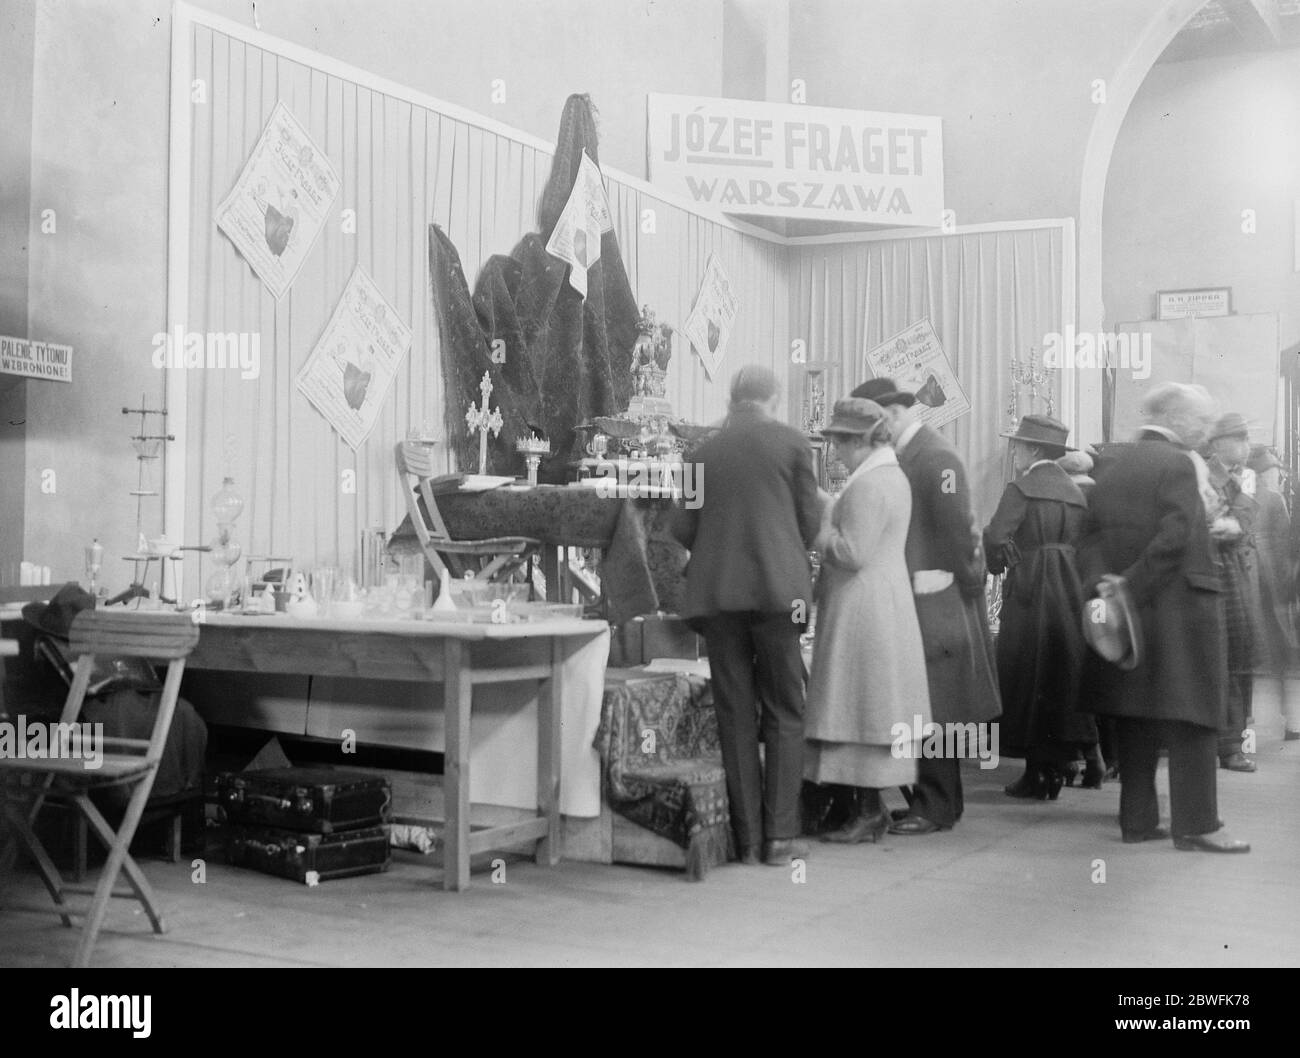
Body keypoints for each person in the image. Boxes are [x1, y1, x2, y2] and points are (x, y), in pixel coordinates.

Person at [1078, 382, 1249, 852]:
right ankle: (1198, 825)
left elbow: (1088, 539)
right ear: (1174, 419)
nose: (1207, 432)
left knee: (1135, 716)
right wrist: (1130, 587)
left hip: (1131, 622)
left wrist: (1108, 591)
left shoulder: (1110, 467)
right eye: (1201, 422)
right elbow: (1176, 539)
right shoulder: (1176, 464)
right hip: (1180, 614)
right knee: (1194, 720)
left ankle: (1137, 820)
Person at [672, 365, 820, 866]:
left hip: (718, 597)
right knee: (784, 709)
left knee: (735, 714)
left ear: (733, 400)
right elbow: (810, 524)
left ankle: (747, 839)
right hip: (781, 595)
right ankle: (780, 839)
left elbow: (681, 528)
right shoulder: (794, 445)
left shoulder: (700, 453)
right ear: (773, 398)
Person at [851, 378, 1001, 836]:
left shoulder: (933, 458)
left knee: (935, 706)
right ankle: (934, 803)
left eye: (876, 427)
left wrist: (961, 582)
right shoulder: (915, 456)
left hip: (936, 598)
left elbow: (963, 532)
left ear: (893, 415)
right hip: (924, 594)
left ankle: (935, 806)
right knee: (926, 704)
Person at [804, 398, 931, 843]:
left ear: (859, 442)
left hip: (863, 607)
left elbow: (850, 552)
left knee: (858, 707)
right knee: (870, 708)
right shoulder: (889, 476)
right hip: (884, 602)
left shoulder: (869, 484)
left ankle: (867, 812)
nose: (836, 452)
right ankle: (863, 808)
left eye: (840, 443)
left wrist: (821, 523)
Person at [983, 415, 1097, 799]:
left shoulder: (1022, 488)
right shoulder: (1075, 491)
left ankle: (1036, 774)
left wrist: (1000, 562)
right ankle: (1055, 767)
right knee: (1058, 673)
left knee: (1027, 674)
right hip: (1069, 587)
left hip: (1031, 583)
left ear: (1032, 449)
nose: (1014, 451)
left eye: (1018, 445)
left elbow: (997, 536)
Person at [1202, 413, 1260, 773]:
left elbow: (1239, 526)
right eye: (1237, 438)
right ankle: (1225, 745)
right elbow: (1222, 528)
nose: (1245, 445)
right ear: (1217, 442)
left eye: (1245, 438)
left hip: (1234, 574)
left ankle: (1231, 743)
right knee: (1220, 661)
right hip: (1215, 574)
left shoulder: (1240, 478)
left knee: (1238, 659)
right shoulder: (1206, 476)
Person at [1247, 445, 1300, 740]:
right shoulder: (1274, 498)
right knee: (1279, 656)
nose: (1275, 474)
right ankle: (1289, 721)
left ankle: (1243, 719)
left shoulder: (1243, 497)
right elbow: (1284, 547)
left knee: (1246, 655)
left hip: (1250, 584)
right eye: (1272, 469)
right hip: (1269, 589)